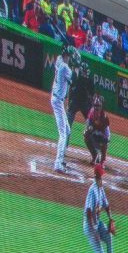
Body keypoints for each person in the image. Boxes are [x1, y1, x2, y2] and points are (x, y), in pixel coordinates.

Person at [83, 163, 117, 253]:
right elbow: (88, 212)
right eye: (100, 175)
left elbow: (106, 205)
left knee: (108, 238)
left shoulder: (100, 188)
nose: (101, 177)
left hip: (97, 224)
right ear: (97, 175)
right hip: (90, 225)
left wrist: (110, 218)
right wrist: (94, 230)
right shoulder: (92, 190)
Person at [51, 44, 77, 173]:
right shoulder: (65, 67)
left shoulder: (59, 60)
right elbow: (75, 81)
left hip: (56, 99)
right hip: (58, 101)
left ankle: (60, 160)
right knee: (63, 133)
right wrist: (77, 66)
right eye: (71, 56)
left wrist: (68, 50)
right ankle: (58, 164)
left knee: (67, 130)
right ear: (67, 56)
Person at [83, 94, 112, 165]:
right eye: (95, 105)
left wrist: (105, 139)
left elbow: (107, 135)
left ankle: (103, 160)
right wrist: (89, 129)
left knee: (105, 140)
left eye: (98, 106)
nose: (96, 107)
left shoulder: (104, 117)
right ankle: (95, 156)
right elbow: (86, 127)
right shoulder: (91, 113)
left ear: (101, 106)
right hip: (94, 135)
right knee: (86, 135)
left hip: (102, 137)